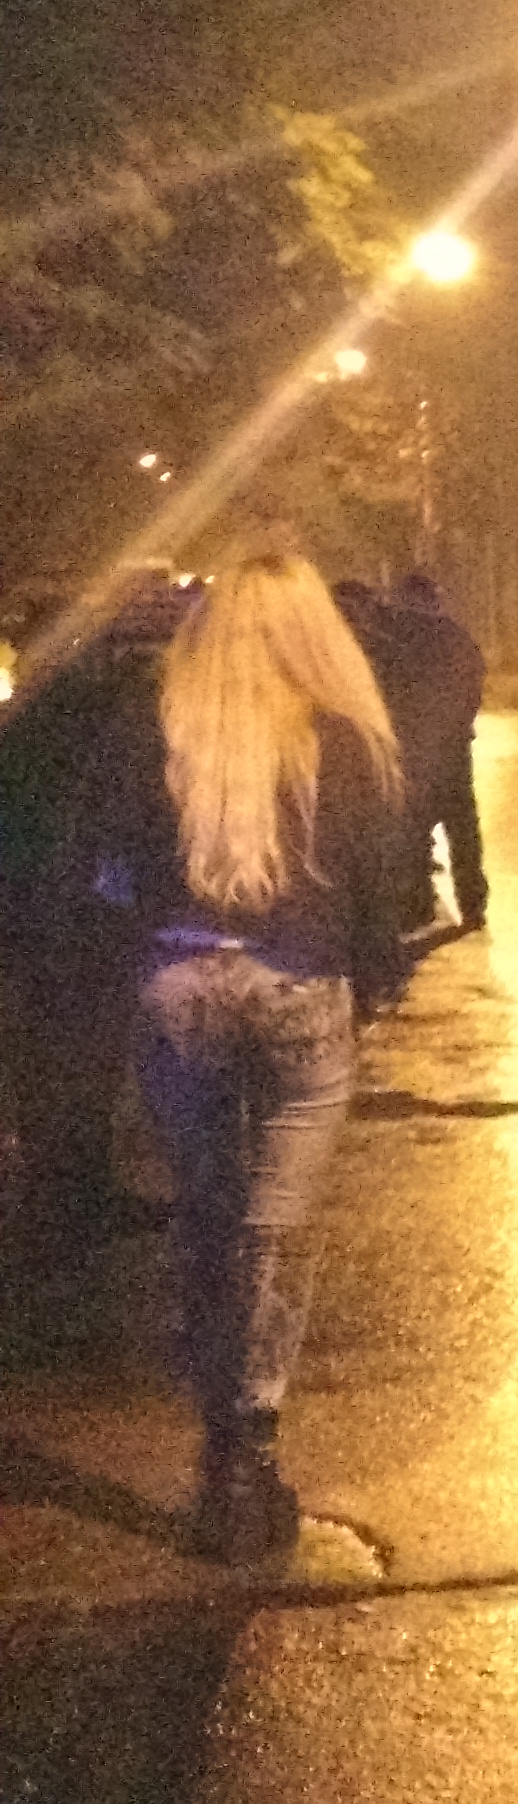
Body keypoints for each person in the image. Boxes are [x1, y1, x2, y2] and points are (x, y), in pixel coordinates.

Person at [100, 553, 421, 1562]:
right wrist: (373, 981)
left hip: (180, 984)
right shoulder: (343, 738)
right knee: (275, 1230)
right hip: (298, 984)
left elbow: (111, 872)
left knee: (205, 1214)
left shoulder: (155, 729)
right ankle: (250, 1455)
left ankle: (215, 1448)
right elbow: (380, 887)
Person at [0, 569, 190, 1363]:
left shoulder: (31, 717)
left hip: (47, 915)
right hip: (76, 914)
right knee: (77, 1059)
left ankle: (71, 1188)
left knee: (60, 1060)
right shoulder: (80, 714)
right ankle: (68, 1197)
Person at [374, 572, 488, 934]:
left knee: (412, 828)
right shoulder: (457, 637)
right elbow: (473, 685)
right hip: (453, 751)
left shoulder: (392, 639)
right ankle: (473, 903)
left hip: (411, 751)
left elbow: (385, 689)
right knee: (463, 829)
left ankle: (416, 902)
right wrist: (458, 726)